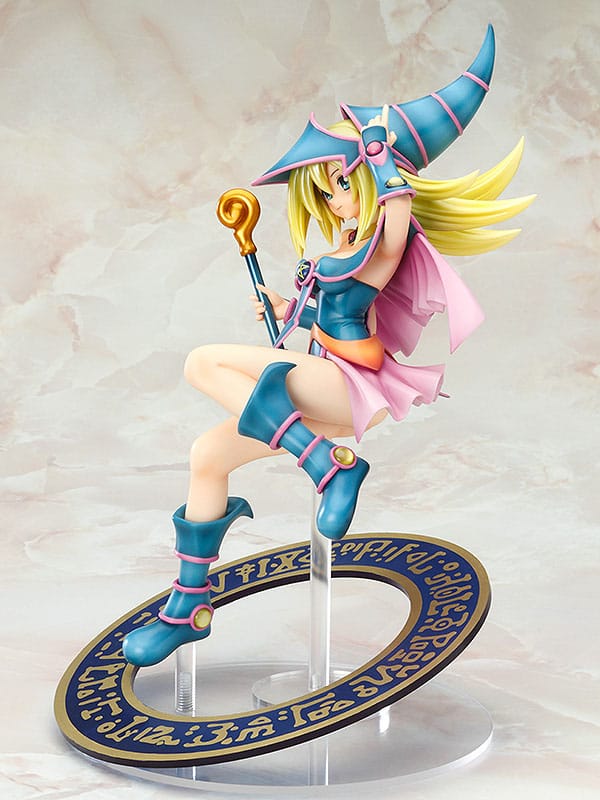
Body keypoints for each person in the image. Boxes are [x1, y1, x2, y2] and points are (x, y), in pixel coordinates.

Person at [122, 26, 533, 667]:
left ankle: (327, 464)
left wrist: (381, 157)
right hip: (315, 382)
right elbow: (320, 319)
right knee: (207, 456)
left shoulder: (380, 248)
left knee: (202, 362)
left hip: (346, 386)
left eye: (339, 184)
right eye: (324, 191)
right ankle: (188, 608)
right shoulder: (337, 251)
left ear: (368, 182)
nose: (332, 199)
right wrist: (285, 307)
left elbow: (393, 230)